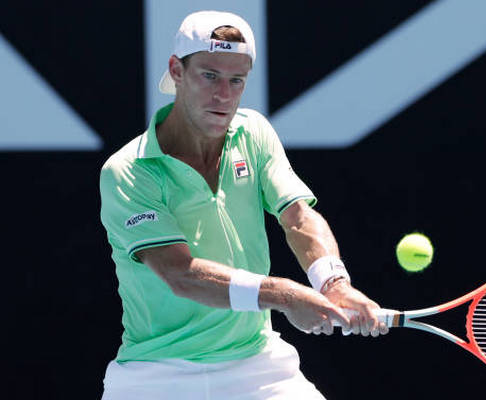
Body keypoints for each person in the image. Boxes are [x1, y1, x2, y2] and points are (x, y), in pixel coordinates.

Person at [99, 10, 388, 399]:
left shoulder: (253, 133)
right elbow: (179, 274)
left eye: (237, 80)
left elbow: (298, 217)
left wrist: (333, 283)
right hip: (156, 375)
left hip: (258, 367)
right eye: (210, 76)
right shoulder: (128, 171)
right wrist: (284, 295)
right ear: (177, 70)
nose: (224, 95)